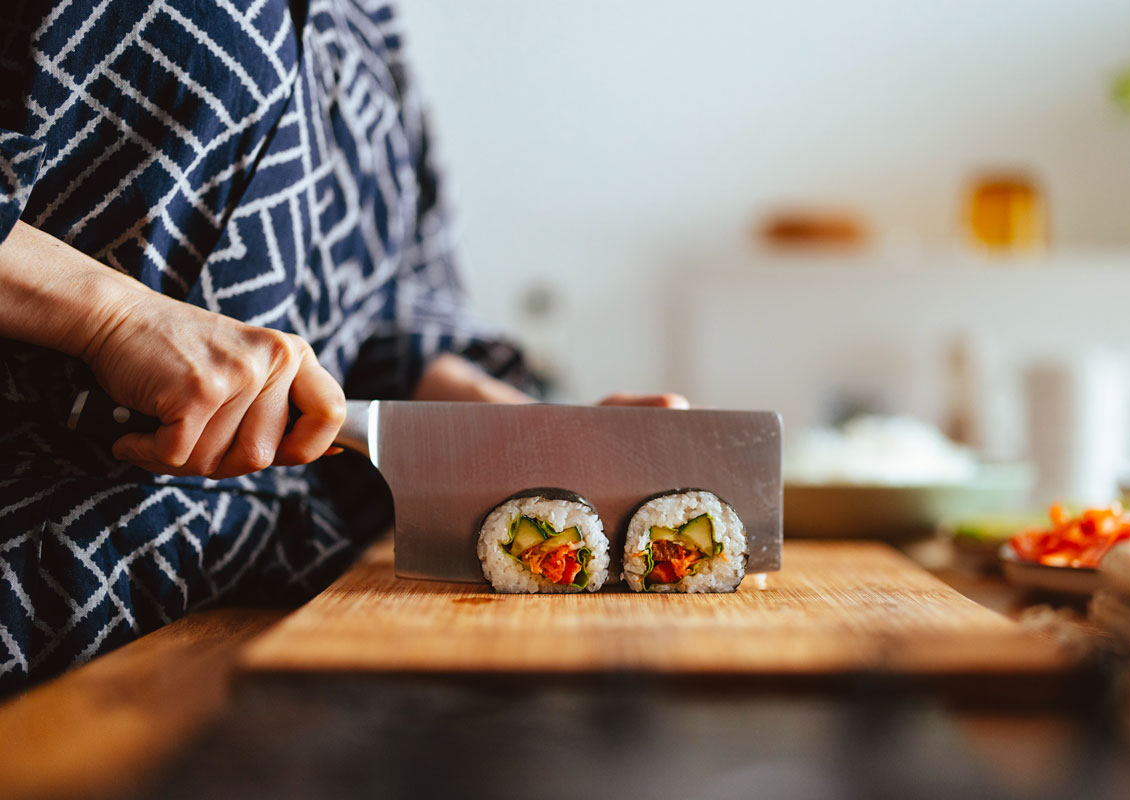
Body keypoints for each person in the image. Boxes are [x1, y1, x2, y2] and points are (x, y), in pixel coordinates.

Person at [0, 0, 683, 695]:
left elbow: (390, 308)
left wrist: (512, 429)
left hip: (284, 609)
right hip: (50, 611)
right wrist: (113, 318)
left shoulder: (367, 17)